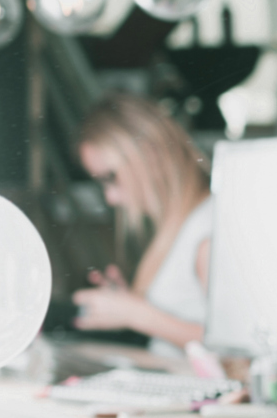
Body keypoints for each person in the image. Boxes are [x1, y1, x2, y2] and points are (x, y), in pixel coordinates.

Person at [71, 94, 215, 353]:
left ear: (150, 153)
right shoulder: (183, 225)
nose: (110, 198)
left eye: (111, 177)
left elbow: (233, 350)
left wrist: (134, 313)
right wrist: (124, 305)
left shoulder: (207, 228)